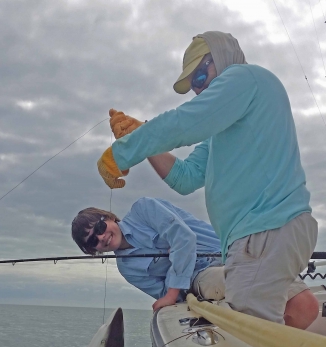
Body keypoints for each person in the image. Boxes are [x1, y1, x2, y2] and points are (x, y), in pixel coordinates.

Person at [96, 31, 319, 329]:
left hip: (265, 230)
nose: (199, 89)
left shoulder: (245, 78)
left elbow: (186, 122)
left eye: (201, 75)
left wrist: (123, 152)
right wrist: (146, 140)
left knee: (251, 339)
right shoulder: (225, 130)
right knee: (272, 329)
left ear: (223, 57)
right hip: (258, 237)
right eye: (193, 86)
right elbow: (185, 178)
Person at [71, 197, 224, 311]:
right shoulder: (127, 270)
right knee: (233, 279)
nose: (101, 237)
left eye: (99, 228)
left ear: (109, 217)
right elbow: (171, 296)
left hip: (228, 247)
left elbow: (184, 237)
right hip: (203, 275)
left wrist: (171, 289)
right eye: (92, 241)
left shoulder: (142, 209)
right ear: (94, 250)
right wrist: (175, 261)